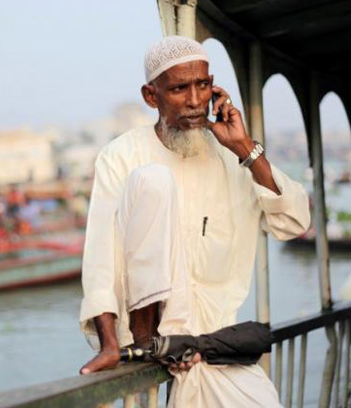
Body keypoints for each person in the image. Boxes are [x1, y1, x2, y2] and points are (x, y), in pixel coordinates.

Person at [78, 36, 310, 407]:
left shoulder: (231, 155)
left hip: (214, 347)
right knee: (152, 180)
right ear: (151, 96)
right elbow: (99, 260)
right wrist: (109, 344)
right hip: (148, 349)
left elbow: (294, 222)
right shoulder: (122, 156)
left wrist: (245, 149)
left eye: (202, 85)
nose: (194, 101)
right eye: (179, 89)